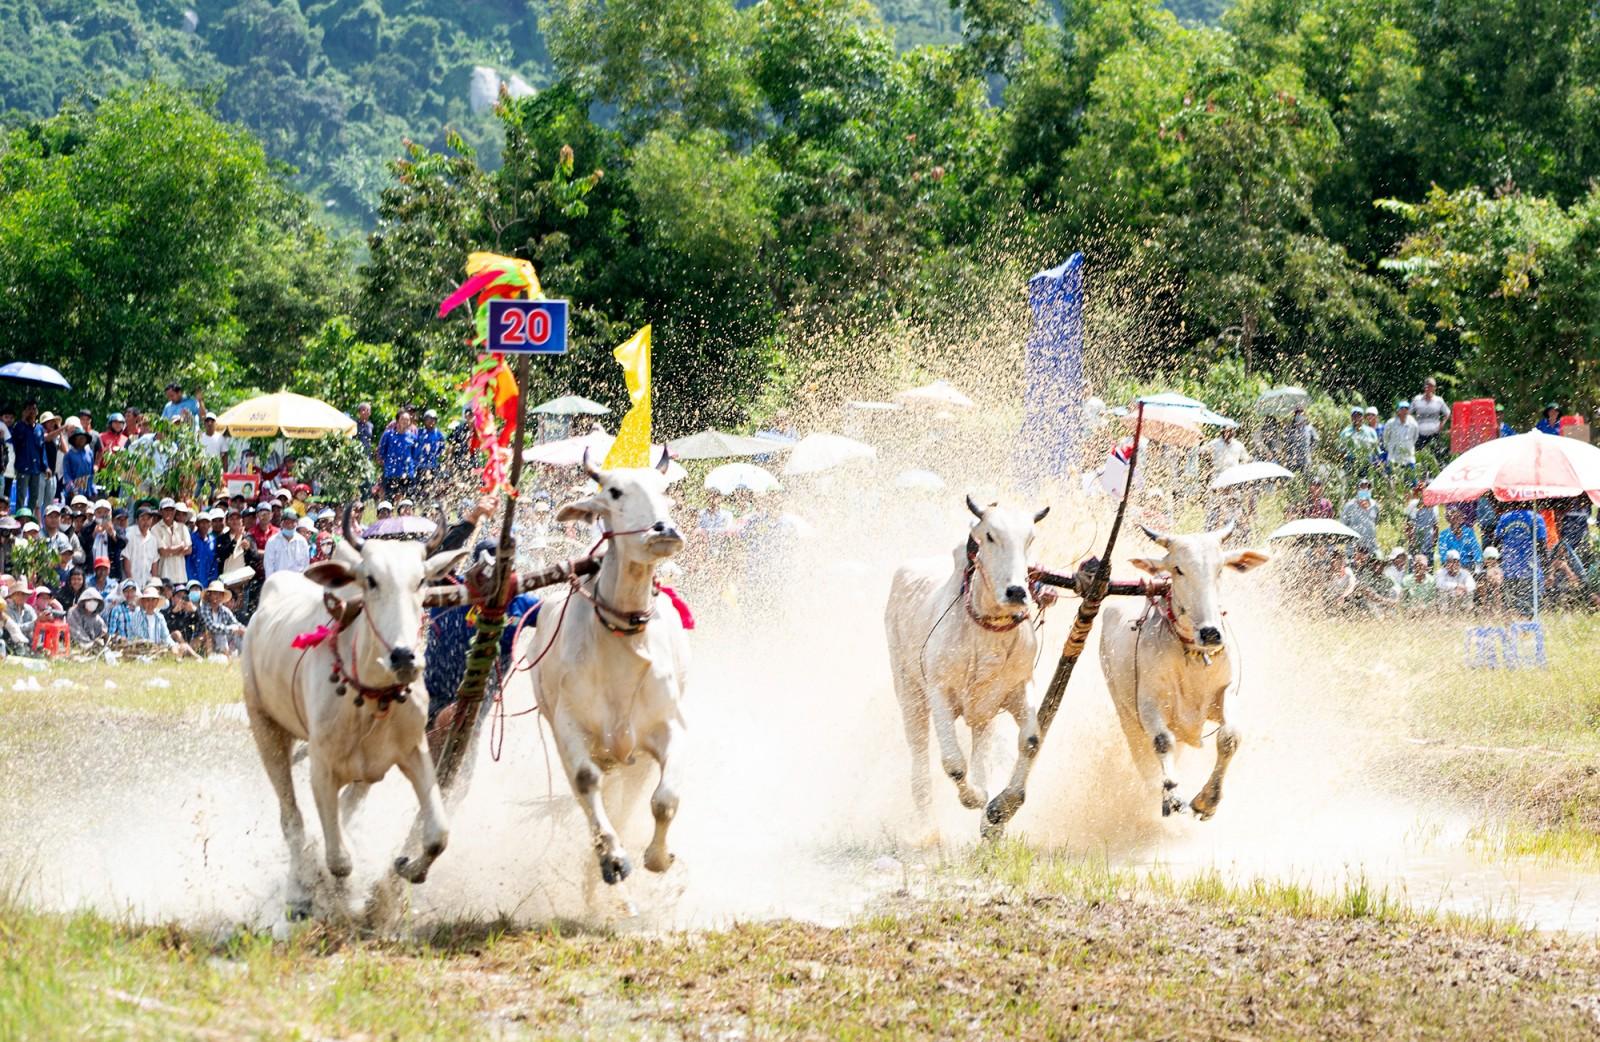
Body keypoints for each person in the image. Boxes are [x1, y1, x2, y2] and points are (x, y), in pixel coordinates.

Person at [1494, 503, 1547, 616]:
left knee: (1510, 608)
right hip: (1530, 571)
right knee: (1530, 610)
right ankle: (1526, 631)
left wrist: (1498, 563)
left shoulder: (1505, 517)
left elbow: (1496, 542)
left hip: (1509, 569)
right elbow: (1541, 545)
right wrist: (1546, 566)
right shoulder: (1536, 518)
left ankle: (1511, 632)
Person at [379, 409, 420, 501]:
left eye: (407, 420)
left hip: (407, 473)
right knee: (389, 500)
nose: (405, 422)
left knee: (408, 501)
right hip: (391, 473)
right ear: (397, 421)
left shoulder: (412, 437)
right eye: (403, 419)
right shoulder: (388, 435)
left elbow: (415, 455)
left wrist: (412, 467)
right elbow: (381, 452)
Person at [11, 401, 45, 512]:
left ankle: (30, 519)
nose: (32, 411)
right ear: (24, 411)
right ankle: (19, 519)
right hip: (23, 467)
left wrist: (46, 466)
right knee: (21, 495)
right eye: (29, 409)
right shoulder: (19, 426)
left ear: (37, 412)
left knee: (34, 496)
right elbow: (16, 441)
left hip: (36, 468)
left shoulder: (39, 428)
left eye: (34, 409)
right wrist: (24, 421)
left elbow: (42, 449)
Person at [122, 585, 177, 651]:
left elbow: (166, 637)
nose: (151, 603)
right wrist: (157, 647)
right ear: (143, 602)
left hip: (157, 649)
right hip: (139, 650)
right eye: (148, 600)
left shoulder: (160, 617)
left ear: (157, 602)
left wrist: (173, 646)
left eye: (153, 600)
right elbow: (141, 639)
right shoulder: (136, 616)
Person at [199, 580, 246, 656]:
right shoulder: (204, 608)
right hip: (206, 639)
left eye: (220, 594)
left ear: (222, 596)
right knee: (222, 633)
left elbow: (236, 623)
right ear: (209, 595)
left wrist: (243, 630)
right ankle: (226, 655)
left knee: (238, 631)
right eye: (215, 593)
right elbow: (211, 627)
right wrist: (232, 629)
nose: (217, 596)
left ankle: (243, 656)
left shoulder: (224, 610)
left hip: (221, 639)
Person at [153, 498, 192, 584]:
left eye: (171, 510)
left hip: (180, 575)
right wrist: (180, 546)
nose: (169, 512)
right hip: (164, 574)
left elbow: (189, 550)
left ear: (174, 511)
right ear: (160, 511)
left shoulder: (182, 527)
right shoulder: (155, 529)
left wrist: (169, 551)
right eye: (166, 510)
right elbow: (162, 551)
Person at [121, 506, 161, 587]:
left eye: (148, 519)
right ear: (136, 520)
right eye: (143, 519)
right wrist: (131, 584)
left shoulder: (153, 539)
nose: (146, 522)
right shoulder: (130, 535)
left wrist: (154, 585)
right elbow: (126, 561)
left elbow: (154, 564)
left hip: (147, 584)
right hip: (131, 584)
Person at [1404, 481, 1440, 565]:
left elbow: (1436, 526)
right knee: (1414, 567)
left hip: (1428, 544)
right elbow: (1408, 525)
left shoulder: (1435, 507)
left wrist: (1434, 542)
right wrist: (1412, 543)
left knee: (1428, 567)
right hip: (1416, 543)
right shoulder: (1413, 505)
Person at [1411, 377, 1450, 451]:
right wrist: (1413, 423)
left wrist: (1443, 423)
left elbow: (1447, 412)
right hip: (1420, 433)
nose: (1428, 388)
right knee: (1416, 453)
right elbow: (1408, 412)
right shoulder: (1417, 399)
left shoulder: (1439, 400)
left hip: (1434, 433)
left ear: (1434, 388)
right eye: (1427, 385)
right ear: (1424, 387)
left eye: (1431, 386)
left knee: (1437, 455)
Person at [1340, 478, 1379, 552]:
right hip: (1354, 550)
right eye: (1362, 487)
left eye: (1367, 487)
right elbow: (1343, 525)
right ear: (1357, 490)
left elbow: (1375, 521)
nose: (1365, 490)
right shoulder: (1349, 506)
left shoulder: (1374, 506)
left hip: (1371, 549)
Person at [1382, 400, 1419, 473]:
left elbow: (1415, 437)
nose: (1404, 411)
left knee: (1413, 481)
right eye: (1402, 409)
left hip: (1408, 457)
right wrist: (1390, 447)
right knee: (1391, 480)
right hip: (1393, 457)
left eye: (1406, 409)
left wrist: (1408, 445)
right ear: (1398, 411)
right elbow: (1385, 438)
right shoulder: (1390, 423)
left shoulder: (1413, 423)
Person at [61, 426, 97, 497]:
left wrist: (93, 488)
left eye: (83, 437)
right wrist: (71, 489)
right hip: (74, 489)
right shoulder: (69, 455)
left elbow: (92, 472)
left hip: (87, 488)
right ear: (74, 440)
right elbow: (66, 474)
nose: (82, 439)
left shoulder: (89, 453)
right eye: (79, 437)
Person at [416, 408, 445, 493]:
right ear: (425, 420)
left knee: (431, 489)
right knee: (418, 489)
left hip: (433, 466)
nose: (431, 421)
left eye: (434, 419)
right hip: (419, 466)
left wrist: (437, 458)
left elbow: (442, 450)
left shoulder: (438, 434)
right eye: (429, 418)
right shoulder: (419, 432)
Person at [1282, 407, 1318, 472]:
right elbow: (1287, 442)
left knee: (1306, 476)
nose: (1299, 416)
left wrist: (1310, 450)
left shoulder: (1309, 428)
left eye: (1300, 413)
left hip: (1306, 459)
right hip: (1294, 459)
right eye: (1297, 414)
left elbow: (1316, 439)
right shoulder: (1291, 429)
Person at [188, 509, 218, 586]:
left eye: (207, 522)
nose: (204, 525)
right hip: (193, 581)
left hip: (208, 581)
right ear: (197, 524)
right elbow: (188, 562)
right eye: (202, 522)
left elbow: (214, 563)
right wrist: (191, 581)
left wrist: (213, 580)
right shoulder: (191, 539)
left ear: (210, 524)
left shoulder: (213, 540)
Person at [5, 582, 37, 646]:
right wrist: (34, 623)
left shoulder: (29, 609)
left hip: (29, 640)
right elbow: (15, 628)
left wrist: (39, 621)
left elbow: (36, 622)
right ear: (12, 596)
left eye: (23, 594)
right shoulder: (7, 610)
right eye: (17, 594)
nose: (21, 596)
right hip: (12, 642)